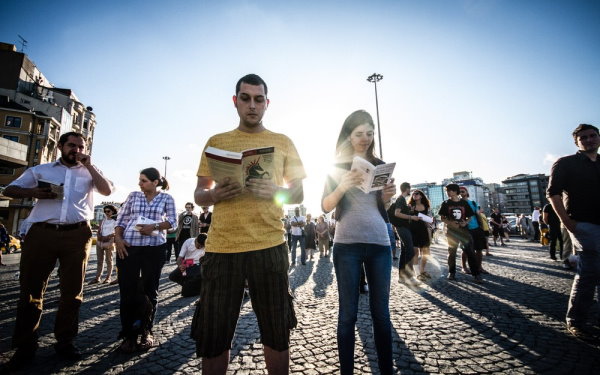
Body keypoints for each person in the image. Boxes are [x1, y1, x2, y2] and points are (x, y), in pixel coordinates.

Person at [192, 73, 305, 374]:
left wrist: (276, 191)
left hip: (270, 245)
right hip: (222, 248)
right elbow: (199, 194)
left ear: (267, 103)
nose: (252, 105)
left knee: (277, 332)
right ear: (235, 101)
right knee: (214, 335)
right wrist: (214, 193)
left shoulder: (282, 142)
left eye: (258, 99)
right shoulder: (217, 142)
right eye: (245, 98)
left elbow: (298, 191)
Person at [4, 132, 113, 369]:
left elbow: (107, 191)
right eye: (72, 145)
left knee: (73, 291)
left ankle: (65, 341)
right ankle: (25, 346)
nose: (77, 149)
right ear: (61, 146)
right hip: (42, 232)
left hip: (78, 234)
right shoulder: (41, 170)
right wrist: (33, 192)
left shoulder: (90, 171)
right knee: (31, 290)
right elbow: (9, 190)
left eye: (81, 146)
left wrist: (90, 165)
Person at [322, 109, 396, 375]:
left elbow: (382, 207)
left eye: (370, 133)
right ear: (349, 136)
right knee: (347, 316)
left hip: (379, 244)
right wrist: (342, 186)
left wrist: (388, 196)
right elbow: (325, 206)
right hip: (347, 246)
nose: (365, 138)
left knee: (382, 315)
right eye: (359, 134)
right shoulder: (337, 166)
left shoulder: (380, 163)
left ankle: (386, 370)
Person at [114, 167, 177, 353]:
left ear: (155, 182)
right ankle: (128, 334)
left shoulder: (166, 198)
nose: (139, 184)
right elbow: (121, 219)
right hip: (129, 248)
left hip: (154, 249)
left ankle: (146, 331)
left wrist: (154, 226)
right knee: (127, 292)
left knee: (150, 291)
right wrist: (118, 239)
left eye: (143, 180)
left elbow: (173, 222)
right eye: (139, 180)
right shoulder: (133, 196)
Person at [547, 123, 600, 339]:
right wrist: (568, 223)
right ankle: (576, 321)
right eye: (584, 137)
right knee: (589, 273)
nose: (589, 140)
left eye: (592, 136)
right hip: (583, 225)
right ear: (577, 142)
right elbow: (553, 193)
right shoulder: (566, 163)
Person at [438, 184, 482, 283]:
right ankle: (452, 272)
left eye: (450, 190)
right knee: (452, 252)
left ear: (455, 191)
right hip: (451, 231)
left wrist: (465, 222)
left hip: (464, 231)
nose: (448, 192)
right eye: (447, 191)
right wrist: (451, 223)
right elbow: (442, 218)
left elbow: (470, 216)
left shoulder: (464, 203)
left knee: (470, 252)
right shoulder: (445, 203)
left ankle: (476, 274)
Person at [391, 182, 419, 286]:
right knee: (410, 251)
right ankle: (409, 276)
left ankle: (402, 277)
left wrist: (409, 211)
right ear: (406, 189)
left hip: (403, 227)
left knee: (404, 252)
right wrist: (411, 217)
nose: (410, 191)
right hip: (402, 228)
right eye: (410, 189)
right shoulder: (401, 199)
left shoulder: (402, 200)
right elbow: (397, 213)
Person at [459, 187, 487, 275]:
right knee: (465, 250)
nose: (461, 193)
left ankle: (479, 267)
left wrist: (481, 227)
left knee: (479, 249)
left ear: (467, 192)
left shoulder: (473, 203)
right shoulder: (458, 204)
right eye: (459, 192)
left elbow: (478, 214)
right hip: (465, 229)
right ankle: (464, 267)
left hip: (477, 228)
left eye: (463, 191)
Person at [407, 190, 433, 281]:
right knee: (415, 252)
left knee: (426, 252)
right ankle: (418, 273)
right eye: (413, 194)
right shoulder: (410, 206)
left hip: (424, 230)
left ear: (421, 196)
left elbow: (430, 218)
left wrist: (429, 221)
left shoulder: (426, 206)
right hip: (413, 230)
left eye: (416, 194)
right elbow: (407, 218)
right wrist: (409, 211)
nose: (414, 195)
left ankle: (422, 271)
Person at [89, 205, 118, 284]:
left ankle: (108, 278)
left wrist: (108, 236)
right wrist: (99, 236)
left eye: (108, 211)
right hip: (100, 242)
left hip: (109, 242)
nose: (106, 213)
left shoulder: (116, 221)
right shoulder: (103, 221)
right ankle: (97, 277)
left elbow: (116, 233)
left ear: (113, 211)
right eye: (105, 211)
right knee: (99, 261)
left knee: (109, 260)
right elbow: (99, 230)